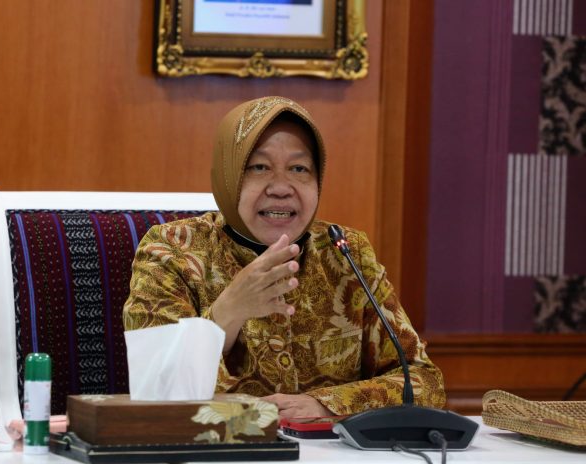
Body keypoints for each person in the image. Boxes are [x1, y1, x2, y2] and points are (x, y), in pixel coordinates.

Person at [123, 96, 446, 418]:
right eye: (259, 167)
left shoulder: (345, 251)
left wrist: (325, 404)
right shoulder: (172, 250)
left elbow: (423, 382)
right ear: (227, 175)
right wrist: (227, 312)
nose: (281, 187)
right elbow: (155, 392)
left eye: (299, 169)